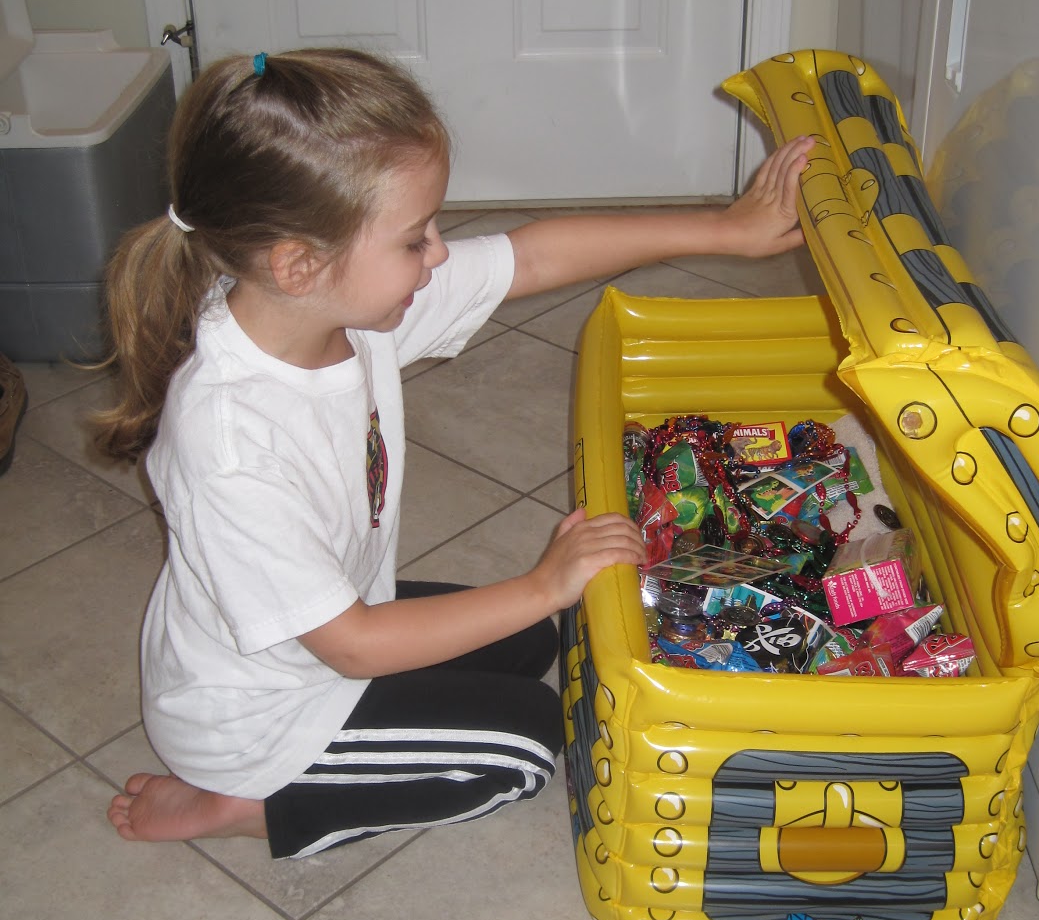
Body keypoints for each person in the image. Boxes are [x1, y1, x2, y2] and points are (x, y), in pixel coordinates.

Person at [91, 47, 814, 859]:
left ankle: (279, 773)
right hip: (260, 717)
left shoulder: (325, 305)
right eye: (413, 240)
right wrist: (542, 581)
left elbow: (532, 256)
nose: (437, 254)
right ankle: (243, 805)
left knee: (536, 640)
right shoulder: (230, 440)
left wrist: (726, 229)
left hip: (317, 638)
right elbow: (355, 644)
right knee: (525, 745)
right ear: (299, 262)